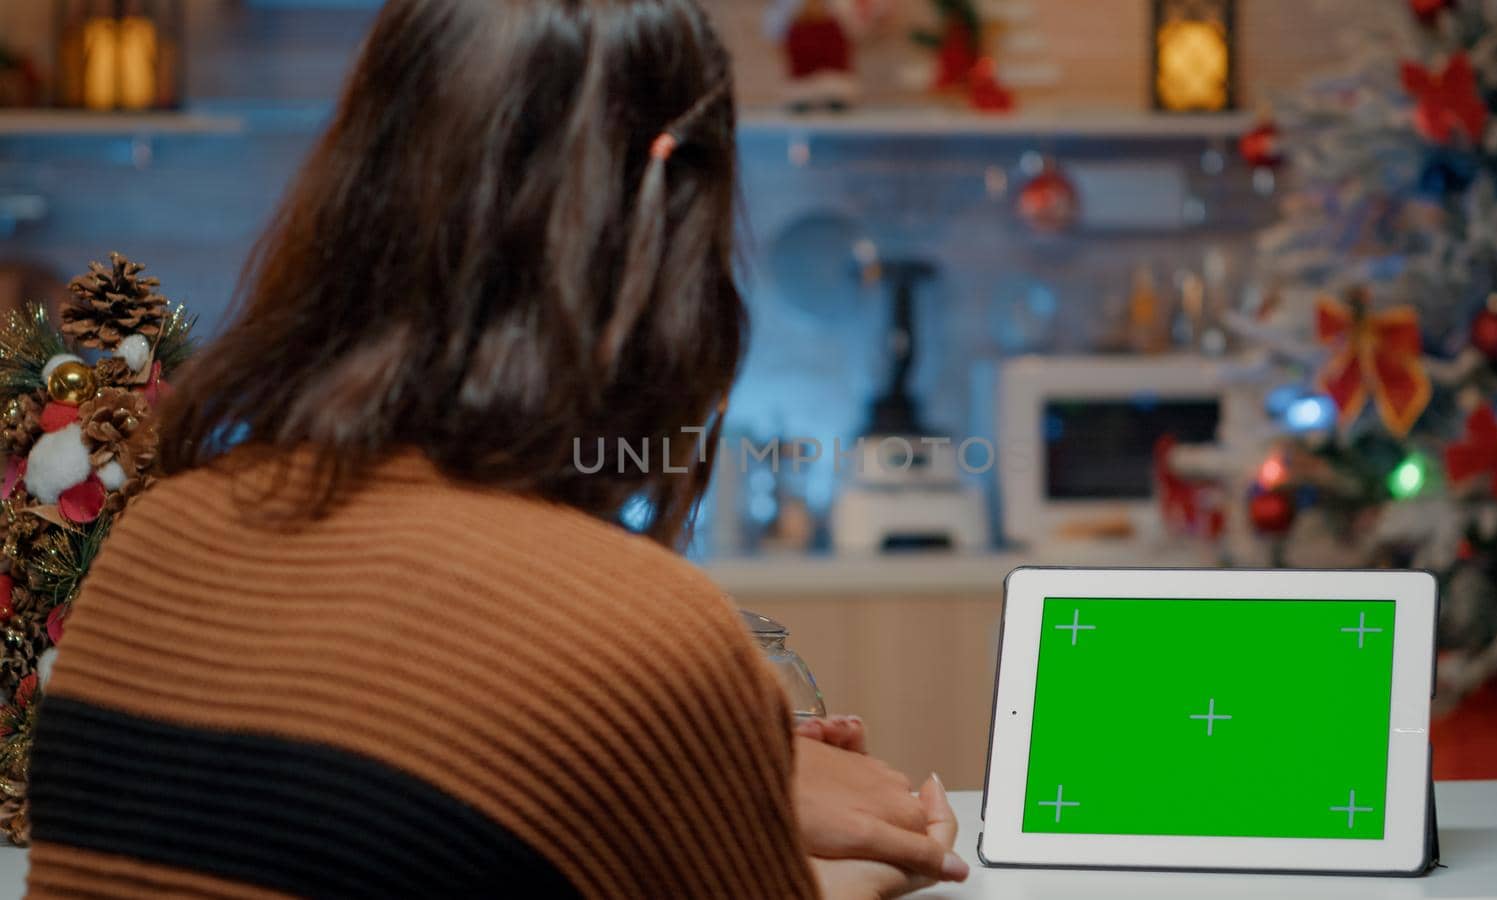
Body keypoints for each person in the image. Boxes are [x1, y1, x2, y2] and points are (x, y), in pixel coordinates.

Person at [25, 1, 968, 897]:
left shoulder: (156, 546)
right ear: (666, 254)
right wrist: (797, 843)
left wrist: (709, 777)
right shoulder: (636, 631)